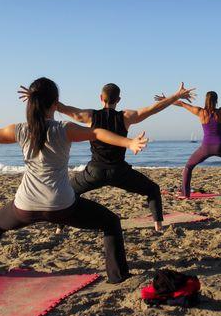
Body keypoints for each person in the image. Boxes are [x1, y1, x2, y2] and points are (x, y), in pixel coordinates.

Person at [0, 77, 148, 284]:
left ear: (31, 103)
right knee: (110, 222)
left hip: (25, 206)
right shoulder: (64, 129)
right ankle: (118, 277)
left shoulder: (20, 130)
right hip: (62, 205)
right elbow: (98, 133)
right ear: (55, 104)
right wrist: (128, 143)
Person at [19, 82, 195, 231]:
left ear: (101, 98)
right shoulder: (127, 116)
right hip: (120, 171)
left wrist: (38, 95)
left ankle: (59, 228)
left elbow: (60, 107)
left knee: (69, 193)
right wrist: (175, 95)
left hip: (94, 172)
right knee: (152, 190)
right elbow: (154, 109)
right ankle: (158, 226)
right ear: (118, 100)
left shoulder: (90, 116)